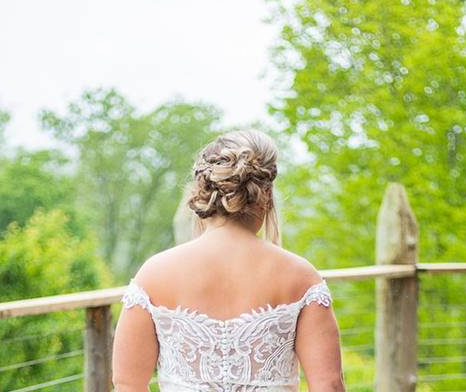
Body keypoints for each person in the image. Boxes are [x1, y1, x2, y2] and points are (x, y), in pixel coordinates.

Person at [112, 129, 344, 392]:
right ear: (266, 194)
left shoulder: (153, 275)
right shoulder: (301, 276)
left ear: (204, 191)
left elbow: (127, 385)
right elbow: (329, 385)